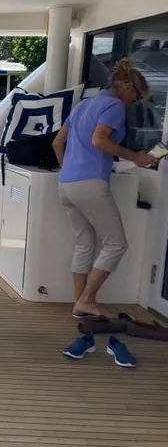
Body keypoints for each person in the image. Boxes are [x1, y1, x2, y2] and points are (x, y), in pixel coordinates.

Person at [52, 59, 159, 318]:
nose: (133, 103)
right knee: (116, 244)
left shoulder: (84, 104)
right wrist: (135, 157)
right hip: (90, 183)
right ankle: (87, 300)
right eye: (135, 96)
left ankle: (81, 305)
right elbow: (99, 140)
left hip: (66, 184)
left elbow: (57, 143)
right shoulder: (113, 105)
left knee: (85, 243)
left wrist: (71, 168)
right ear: (126, 86)